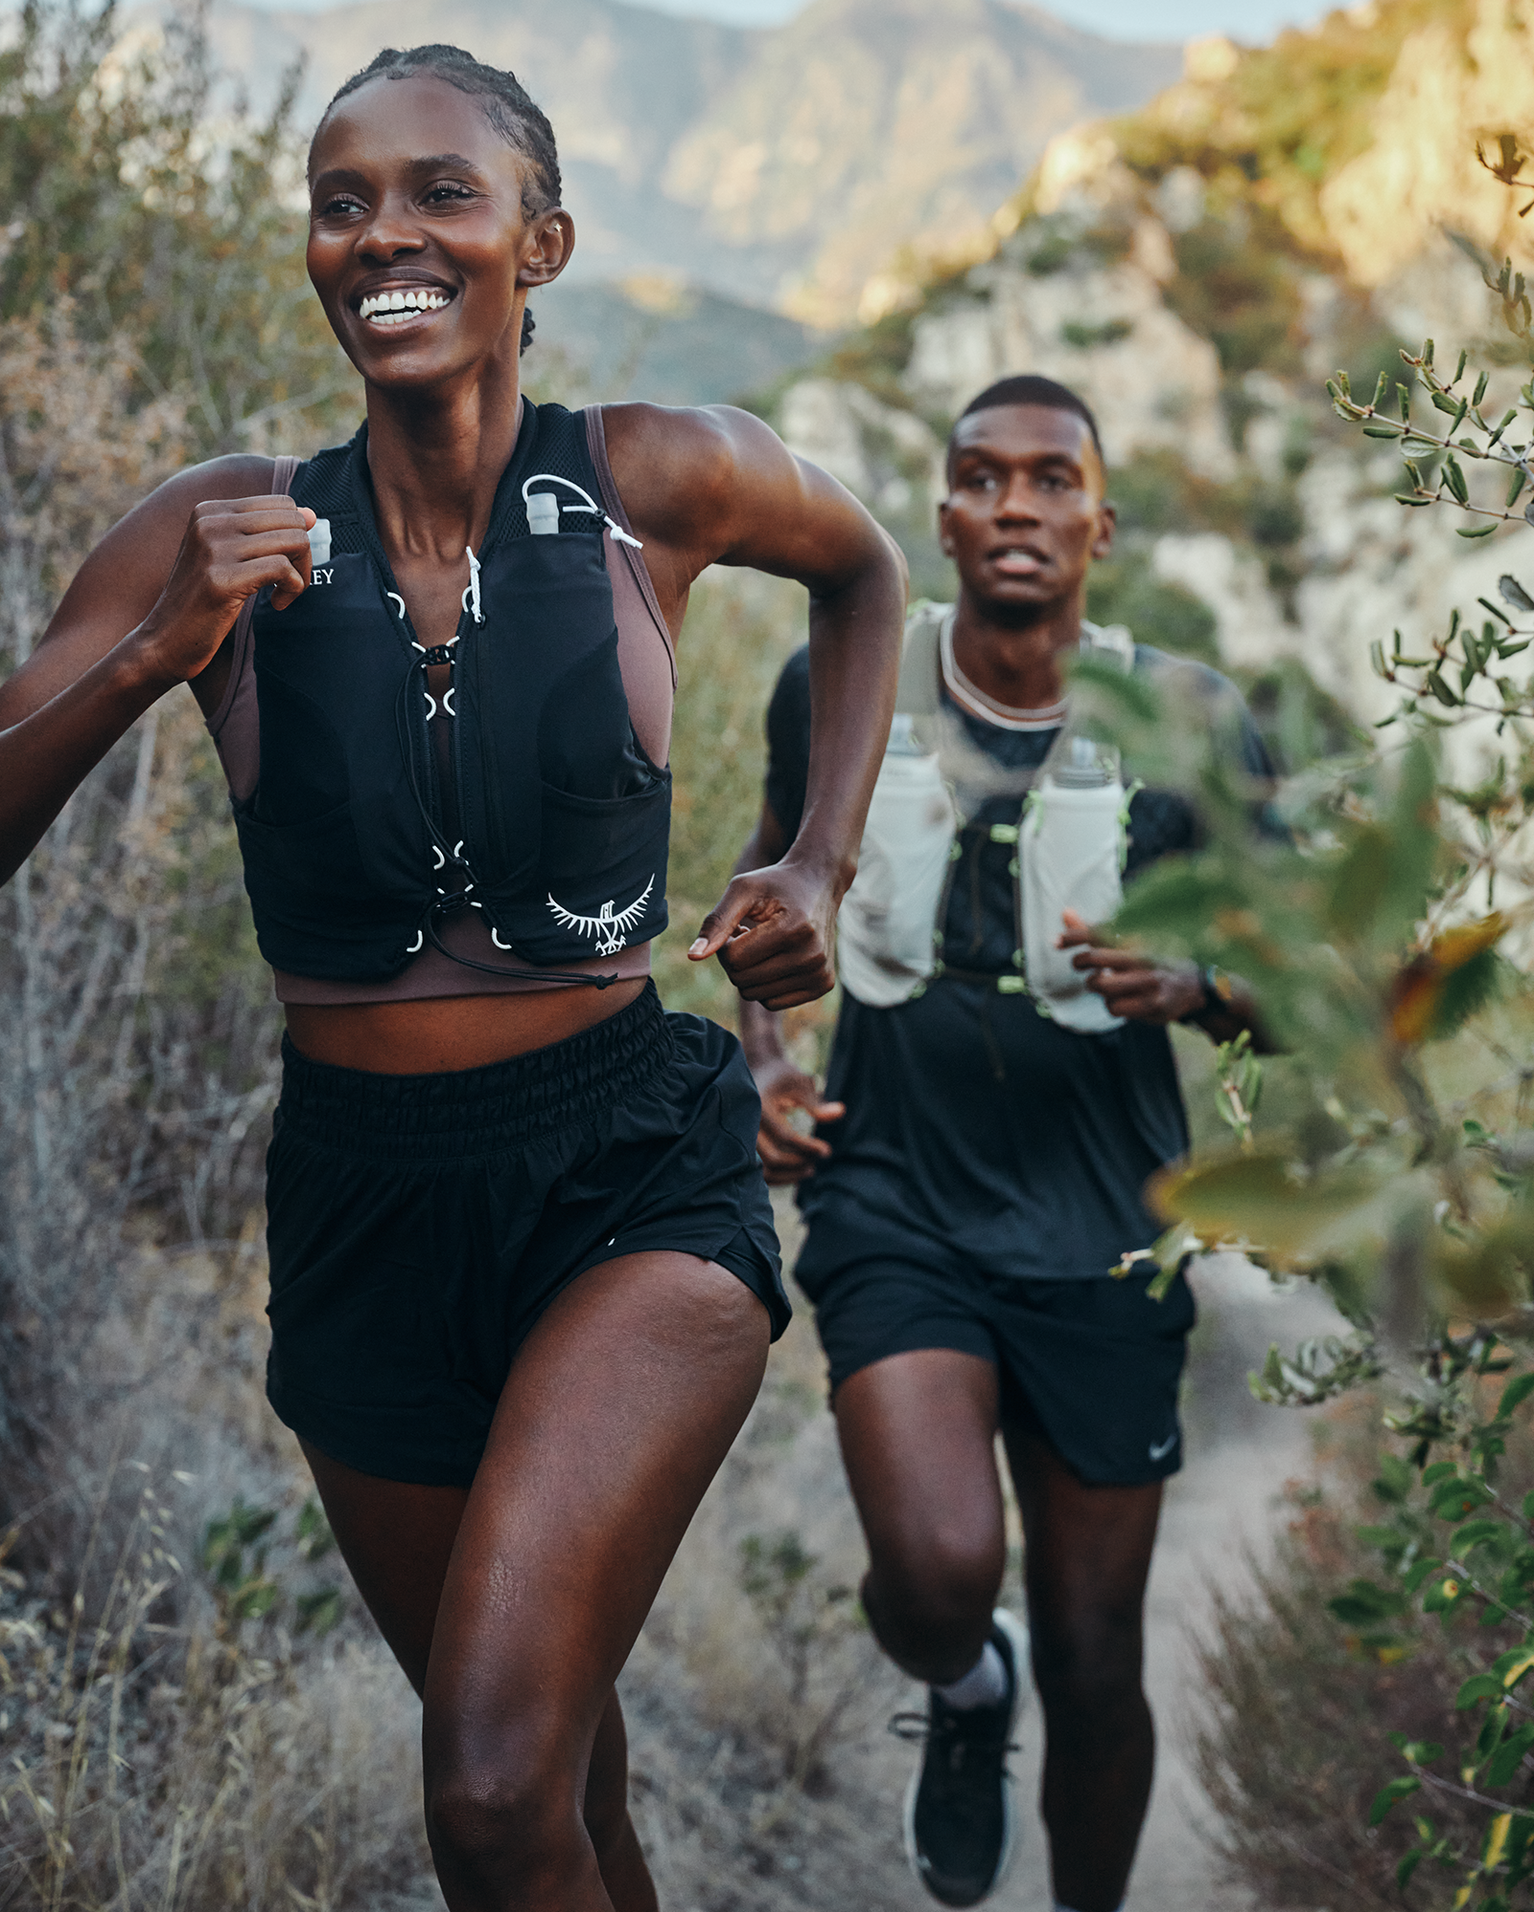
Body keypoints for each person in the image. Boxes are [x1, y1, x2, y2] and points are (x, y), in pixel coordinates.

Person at [0, 45, 903, 1912]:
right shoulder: (220, 531)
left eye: (439, 195)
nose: (384, 234)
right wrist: (158, 649)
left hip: (630, 1178)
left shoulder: (657, 483)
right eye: (343, 202)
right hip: (361, 1209)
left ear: (537, 241)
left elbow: (869, 570)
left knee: (488, 1794)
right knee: (566, 1783)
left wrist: (812, 857)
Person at [735, 374, 1277, 1912]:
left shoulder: (1184, 722)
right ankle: (968, 1691)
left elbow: (1311, 983)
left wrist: (1199, 985)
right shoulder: (843, 683)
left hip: (1108, 1227)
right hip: (893, 1193)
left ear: (1102, 521)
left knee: (1103, 1664)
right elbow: (770, 891)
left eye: (1053, 482)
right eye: (984, 478)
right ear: (943, 513)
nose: (1018, 507)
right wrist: (765, 1062)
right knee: (931, 1577)